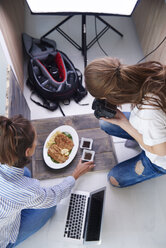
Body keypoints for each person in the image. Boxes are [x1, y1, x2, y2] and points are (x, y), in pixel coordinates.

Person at [0, 115, 95, 247]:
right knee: (50, 206)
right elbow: (53, 196)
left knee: (26, 173)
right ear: (28, 152)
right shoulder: (27, 189)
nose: (37, 142)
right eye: (35, 140)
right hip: (4, 236)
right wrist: (75, 174)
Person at [84, 57, 166, 188]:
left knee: (113, 179)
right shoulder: (143, 72)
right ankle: (141, 140)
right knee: (105, 123)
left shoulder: (149, 115)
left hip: (158, 157)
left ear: (113, 95)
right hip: (152, 131)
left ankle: (154, 167)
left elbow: (160, 151)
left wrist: (124, 124)